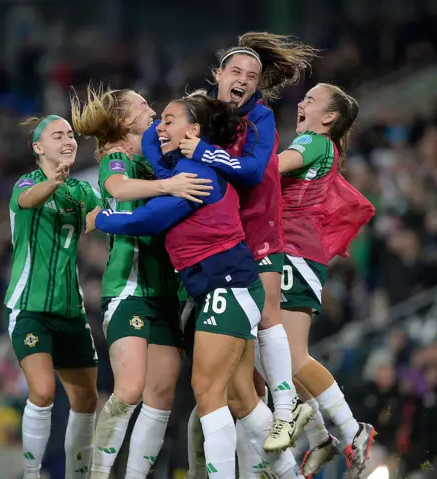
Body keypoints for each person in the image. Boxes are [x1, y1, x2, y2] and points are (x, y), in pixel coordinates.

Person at [87, 93, 302, 479]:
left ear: (194, 131)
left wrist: (100, 219)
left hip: (228, 285)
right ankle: (291, 473)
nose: (158, 124)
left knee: (206, 391)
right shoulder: (178, 167)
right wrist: (155, 127)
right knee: (240, 396)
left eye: (168, 119)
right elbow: (153, 145)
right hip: (221, 288)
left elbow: (147, 221)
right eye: (156, 117)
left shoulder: (195, 176)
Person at [176, 34, 320, 462]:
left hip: (257, 225)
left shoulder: (261, 117)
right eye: (235, 72)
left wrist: (203, 151)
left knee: (268, 316)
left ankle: (287, 407)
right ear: (218, 75)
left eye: (251, 77)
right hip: (218, 239)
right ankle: (290, 452)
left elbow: (255, 172)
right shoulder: (199, 111)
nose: (242, 80)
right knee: (235, 389)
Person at [71, 85, 213, 479]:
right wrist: (170, 186)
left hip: (168, 292)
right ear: (122, 121)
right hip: (128, 288)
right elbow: (118, 190)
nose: (151, 110)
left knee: (162, 396)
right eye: (142, 106)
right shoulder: (115, 158)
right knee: (130, 387)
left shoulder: (159, 158)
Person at [278, 83, 376, 477]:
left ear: (329, 117)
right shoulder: (319, 147)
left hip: (295, 253)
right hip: (287, 252)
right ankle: (321, 437)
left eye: (311, 100)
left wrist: (217, 158)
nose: (301, 103)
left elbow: (269, 169)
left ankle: (353, 432)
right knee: (272, 358)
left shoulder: (314, 143)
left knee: (294, 357)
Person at [5, 115, 102, 479]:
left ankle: (79, 474)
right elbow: (29, 199)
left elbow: (101, 212)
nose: (69, 140)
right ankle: (32, 474)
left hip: (71, 311)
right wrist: (53, 181)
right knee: (43, 392)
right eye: (58, 135)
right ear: (38, 147)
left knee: (87, 400)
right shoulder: (26, 184)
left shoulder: (79, 191)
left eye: (71, 135)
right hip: (30, 308)